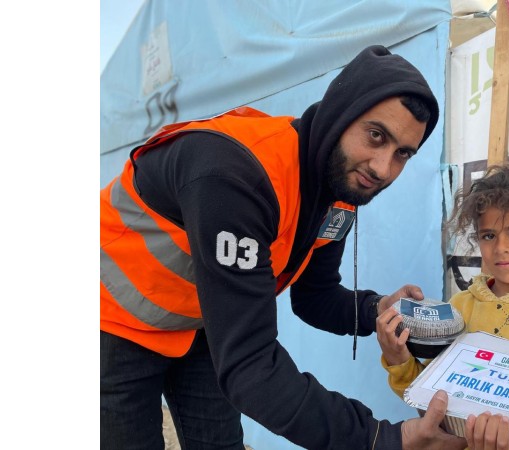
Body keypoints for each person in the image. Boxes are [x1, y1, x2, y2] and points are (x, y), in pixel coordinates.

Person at [100, 45, 467, 450]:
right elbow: (252, 369)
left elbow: (315, 297)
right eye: (376, 136)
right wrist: (382, 438)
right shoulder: (237, 177)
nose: (382, 168)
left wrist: (376, 310)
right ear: (340, 114)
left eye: (402, 154)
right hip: (113, 322)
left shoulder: (339, 191)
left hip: (198, 322)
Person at [376, 165, 509, 450]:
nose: (501, 247)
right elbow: (432, 404)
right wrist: (399, 360)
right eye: (489, 236)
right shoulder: (459, 308)